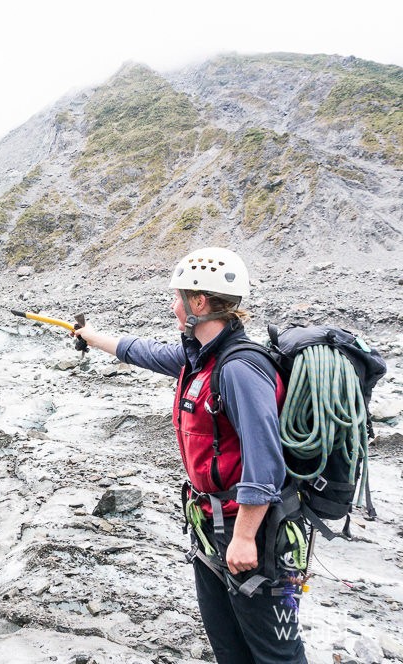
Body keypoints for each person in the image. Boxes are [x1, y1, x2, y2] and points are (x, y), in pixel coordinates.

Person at [72, 247, 307, 664]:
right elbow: (141, 351)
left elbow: (265, 462)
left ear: (198, 302)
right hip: (211, 526)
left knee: (275, 654)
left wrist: (245, 537)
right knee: (229, 647)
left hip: (254, 532)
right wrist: (91, 337)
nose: (171, 305)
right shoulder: (197, 358)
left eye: (177, 297)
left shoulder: (238, 368)